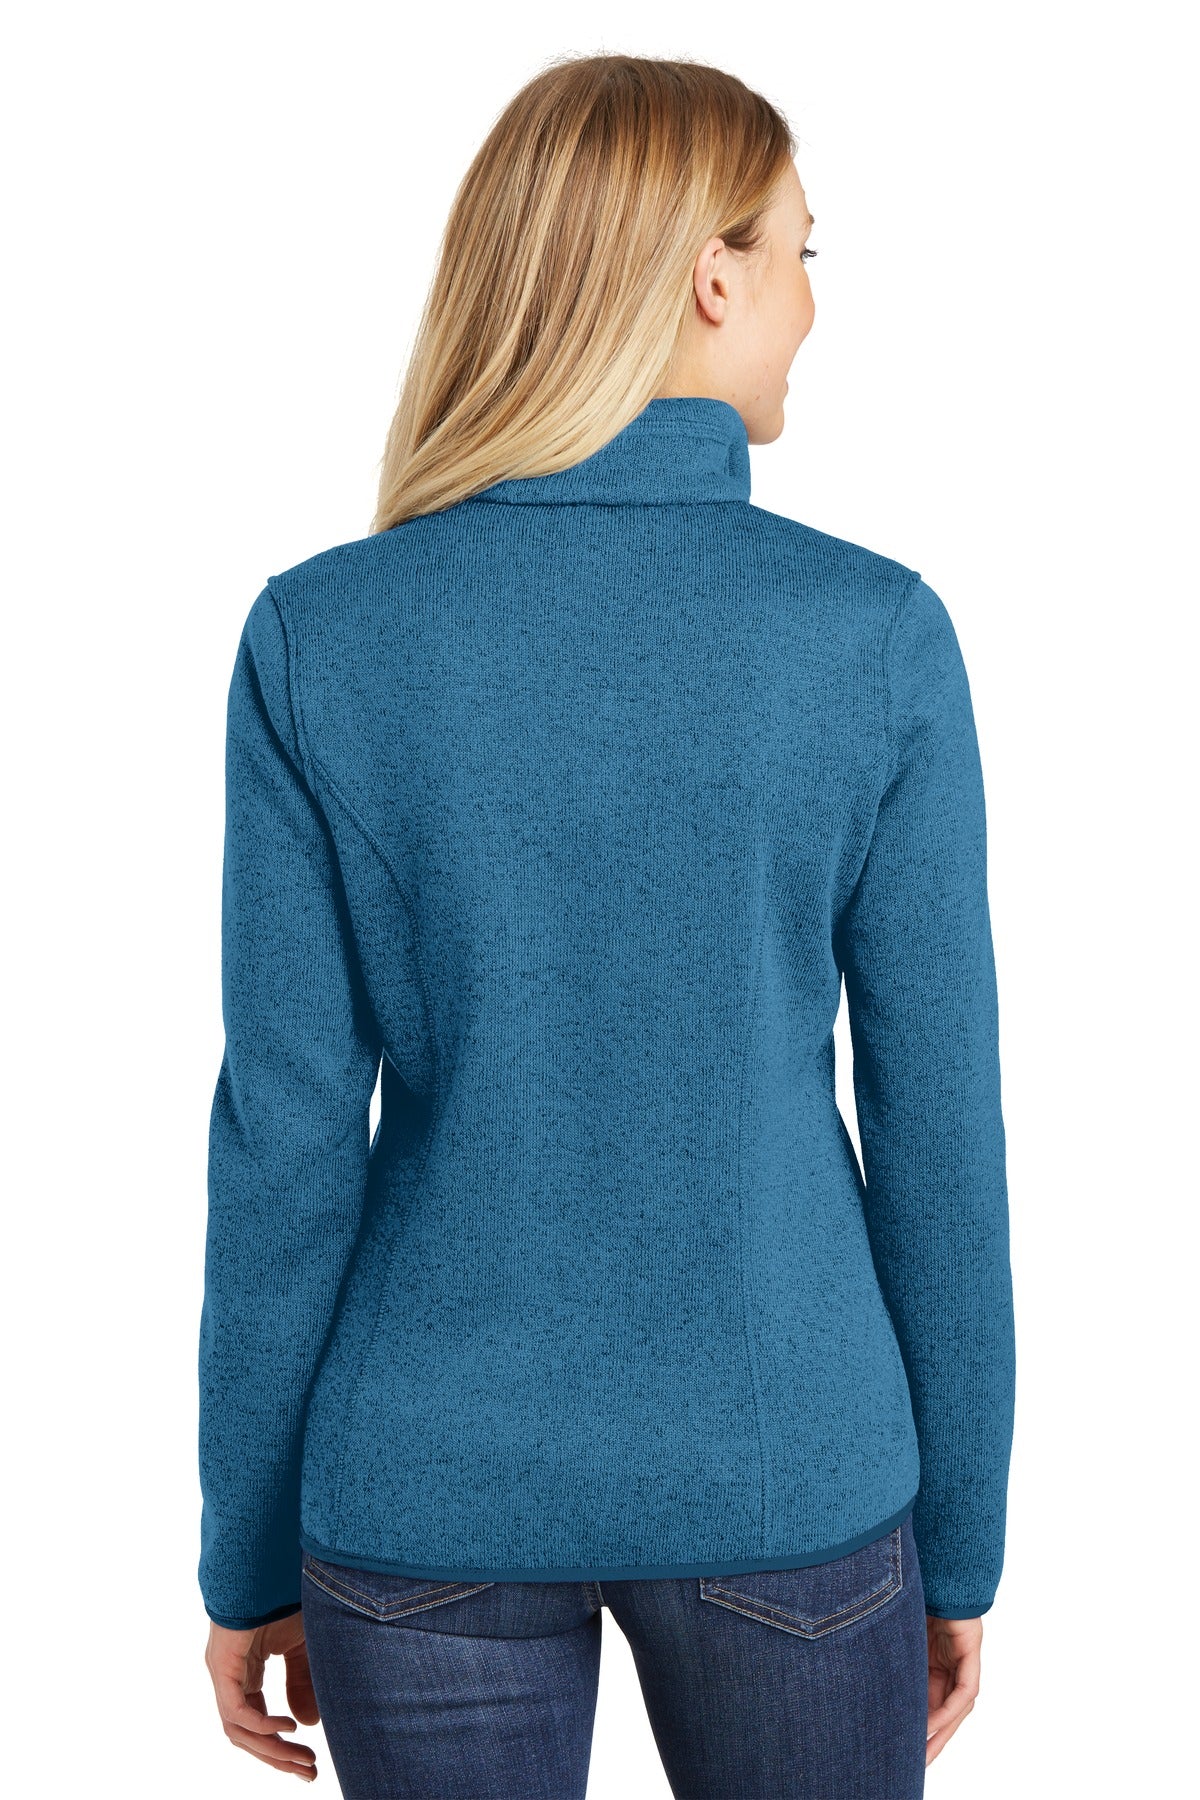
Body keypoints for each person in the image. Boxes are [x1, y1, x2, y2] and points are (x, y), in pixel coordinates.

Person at [198, 52, 1016, 1800]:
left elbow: (285, 1144)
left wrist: (245, 1551)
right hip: (790, 1468)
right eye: (802, 251)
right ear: (714, 277)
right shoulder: (871, 637)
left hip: (421, 1489)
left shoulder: (322, 637)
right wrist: (961, 1538)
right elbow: (941, 1131)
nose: (811, 306)